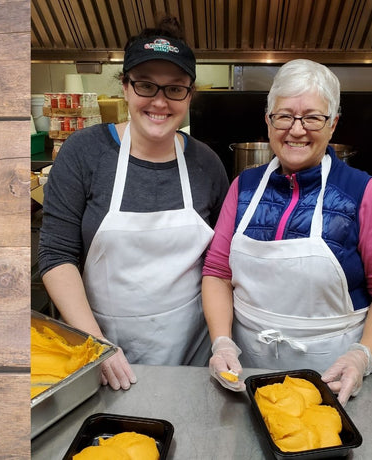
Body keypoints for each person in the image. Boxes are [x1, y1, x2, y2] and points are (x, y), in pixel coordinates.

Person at [202, 59, 372, 405]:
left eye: (312, 117)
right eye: (284, 116)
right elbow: (217, 273)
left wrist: (362, 356)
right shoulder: (243, 187)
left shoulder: (364, 193)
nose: (296, 130)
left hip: (334, 380)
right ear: (268, 121)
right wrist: (222, 341)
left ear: (333, 124)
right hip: (247, 376)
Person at [38, 16, 229, 391]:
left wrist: (224, 340)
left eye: (175, 89)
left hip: (192, 353)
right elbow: (56, 255)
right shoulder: (84, 152)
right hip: (102, 349)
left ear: (190, 95)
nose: (160, 101)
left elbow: (221, 263)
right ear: (125, 87)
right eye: (145, 85)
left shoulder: (206, 162)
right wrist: (97, 345)